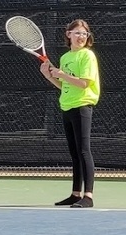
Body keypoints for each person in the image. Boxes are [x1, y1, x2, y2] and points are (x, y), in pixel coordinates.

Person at [39, 19, 101, 208]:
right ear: (69, 34)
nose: (81, 37)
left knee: (84, 150)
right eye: (77, 33)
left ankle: (88, 196)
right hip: (67, 106)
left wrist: (61, 74)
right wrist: (49, 75)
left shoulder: (87, 56)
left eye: (84, 33)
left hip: (83, 105)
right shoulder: (66, 58)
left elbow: (83, 83)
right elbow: (64, 85)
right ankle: (75, 194)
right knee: (74, 153)